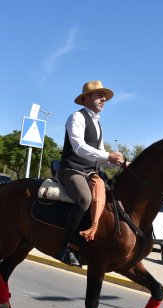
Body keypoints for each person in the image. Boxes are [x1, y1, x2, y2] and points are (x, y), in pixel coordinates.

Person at [54, 80, 124, 266]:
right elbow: (79, 147)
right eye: (99, 95)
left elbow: (100, 157)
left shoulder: (98, 125)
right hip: (71, 170)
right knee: (85, 199)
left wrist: (121, 164)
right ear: (86, 97)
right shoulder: (76, 117)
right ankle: (65, 246)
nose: (103, 99)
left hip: (90, 173)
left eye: (104, 97)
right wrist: (109, 155)